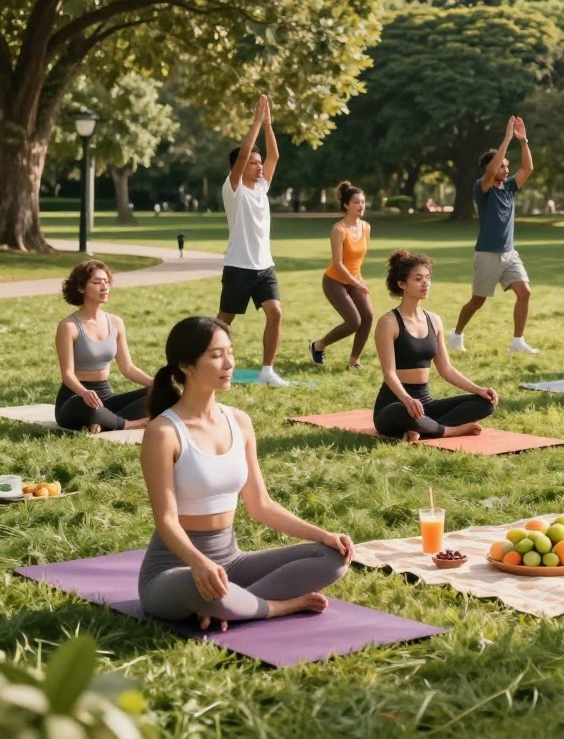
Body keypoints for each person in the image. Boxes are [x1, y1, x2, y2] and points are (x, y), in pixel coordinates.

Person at [139, 316, 352, 628]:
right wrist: (199, 564)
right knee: (199, 587)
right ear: (186, 365)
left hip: (231, 561)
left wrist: (324, 535)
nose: (229, 363)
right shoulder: (164, 432)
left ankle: (231, 606)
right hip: (176, 569)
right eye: (215, 355)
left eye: (230, 352)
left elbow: (261, 506)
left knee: (333, 559)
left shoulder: (239, 421)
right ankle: (279, 606)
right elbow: (166, 521)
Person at [374, 250, 498, 442]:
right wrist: (407, 400)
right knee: (402, 412)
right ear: (402, 284)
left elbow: (446, 369)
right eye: (418, 279)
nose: (426, 283)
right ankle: (447, 430)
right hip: (394, 404)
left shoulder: (434, 320)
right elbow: (389, 373)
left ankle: (422, 429)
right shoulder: (388, 322)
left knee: (485, 404)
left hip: (425, 405)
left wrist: (478, 390)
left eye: (428, 278)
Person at [448, 115, 537, 355]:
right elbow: (490, 170)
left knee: (525, 292)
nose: (507, 169)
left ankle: (517, 342)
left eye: (508, 166)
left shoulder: (509, 187)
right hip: (487, 254)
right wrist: (507, 137)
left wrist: (523, 140)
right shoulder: (482, 187)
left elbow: (528, 168)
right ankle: (456, 334)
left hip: (509, 254)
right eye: (503, 165)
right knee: (478, 301)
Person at [217, 94, 287, 387]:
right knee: (223, 323)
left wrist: (269, 124)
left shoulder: (260, 187)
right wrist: (256, 121)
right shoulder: (233, 189)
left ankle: (267, 371)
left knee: (275, 312)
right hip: (238, 266)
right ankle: (205, 360)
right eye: (253, 163)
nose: (259, 167)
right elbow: (245, 151)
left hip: (264, 266)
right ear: (240, 166)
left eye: (260, 163)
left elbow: (275, 156)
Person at [54, 260, 152, 433]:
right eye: (97, 282)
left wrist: (156, 383)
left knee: (157, 393)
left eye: (106, 282)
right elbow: (67, 374)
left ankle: (103, 422)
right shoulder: (68, 326)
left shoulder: (116, 323)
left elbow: (127, 368)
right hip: (75, 398)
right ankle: (129, 424)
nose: (104, 287)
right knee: (82, 405)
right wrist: (84, 393)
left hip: (106, 399)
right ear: (81, 287)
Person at [309, 181, 373, 370]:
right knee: (354, 321)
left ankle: (354, 360)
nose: (361, 206)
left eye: (363, 202)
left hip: (354, 280)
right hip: (334, 281)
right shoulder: (339, 229)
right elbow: (338, 263)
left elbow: (357, 261)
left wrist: (359, 281)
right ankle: (318, 345)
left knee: (368, 316)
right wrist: (355, 282)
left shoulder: (366, 228)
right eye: (356, 202)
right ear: (346, 205)